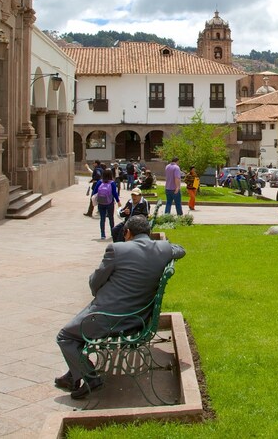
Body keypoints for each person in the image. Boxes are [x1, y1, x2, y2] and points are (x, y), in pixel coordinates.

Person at [54, 215, 186, 399]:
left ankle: (90, 378)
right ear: (148, 233)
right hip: (138, 318)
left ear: (128, 233)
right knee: (79, 326)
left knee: (65, 336)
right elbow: (180, 250)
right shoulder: (163, 249)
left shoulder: (117, 249)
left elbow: (94, 283)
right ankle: (73, 375)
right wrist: (166, 247)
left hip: (111, 319)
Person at [94, 169, 120, 240]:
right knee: (111, 218)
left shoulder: (99, 182)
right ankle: (112, 232)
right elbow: (115, 193)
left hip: (101, 202)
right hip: (110, 203)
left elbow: (95, 192)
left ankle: (102, 234)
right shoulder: (112, 183)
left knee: (102, 219)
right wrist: (118, 201)